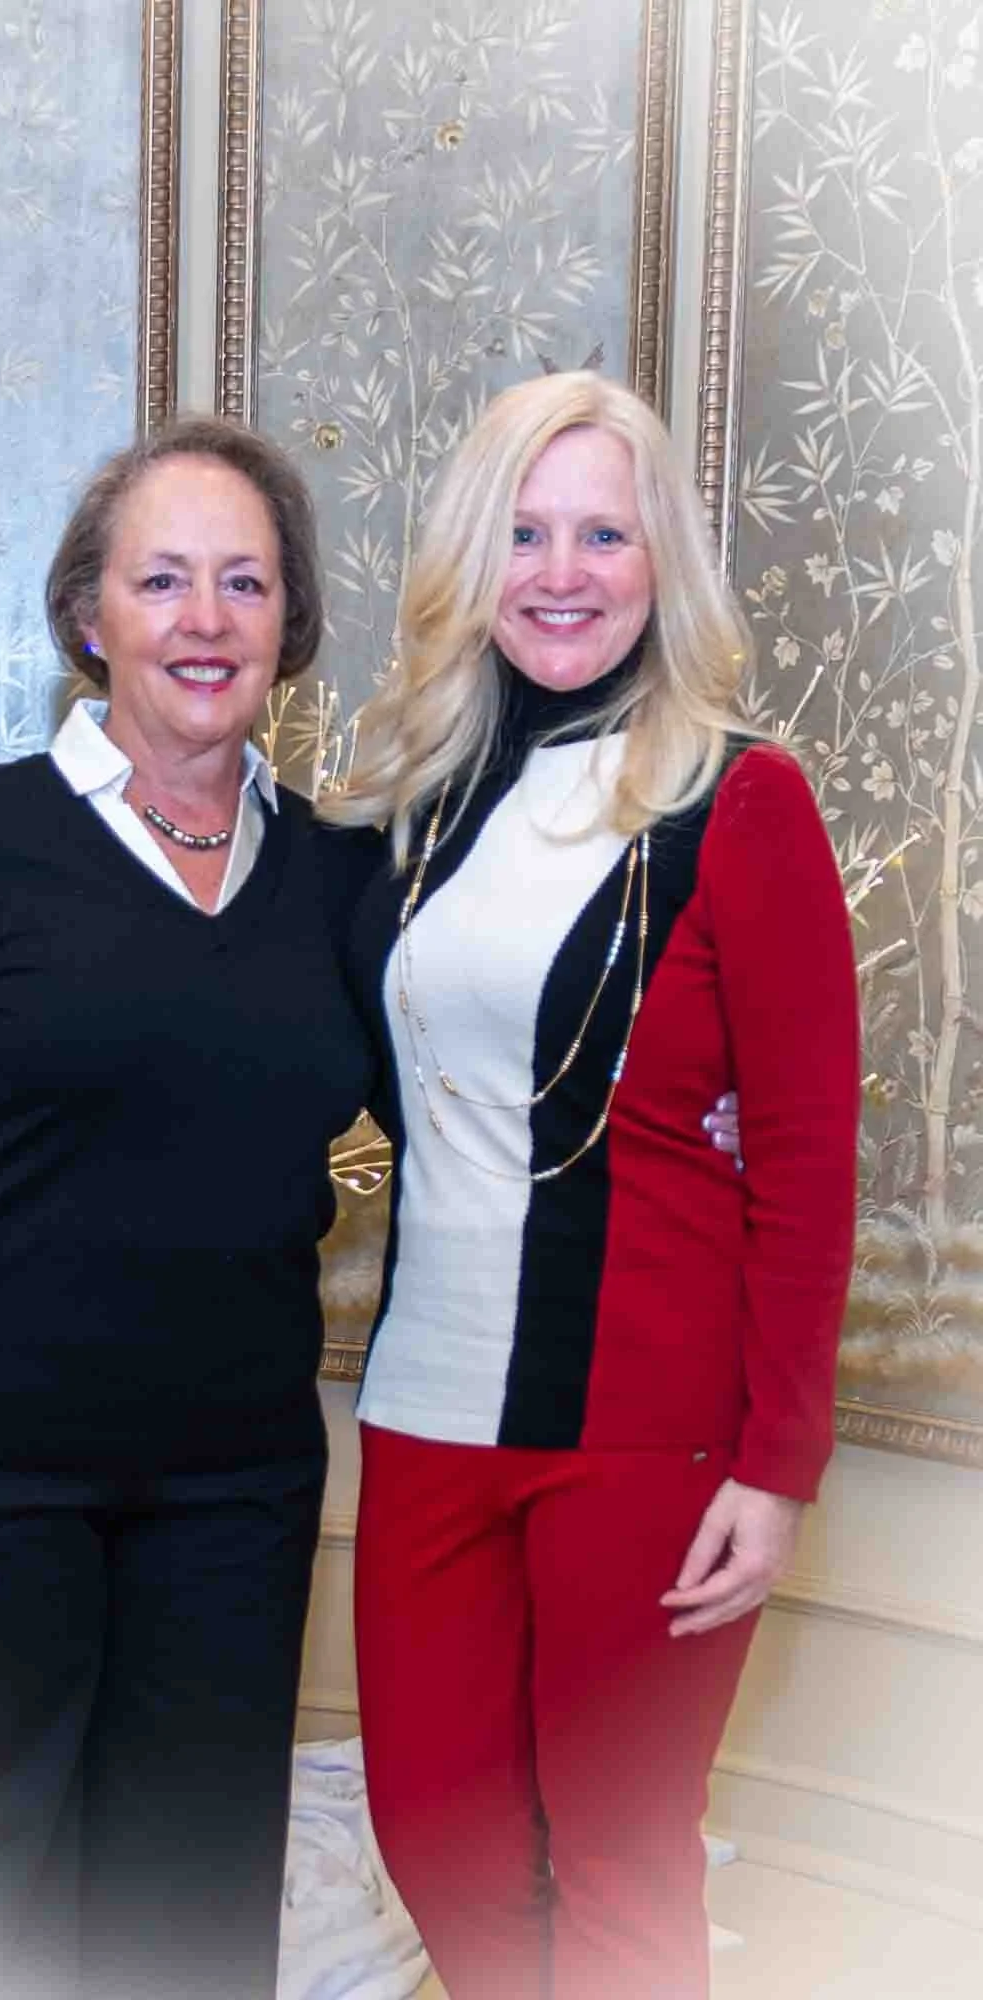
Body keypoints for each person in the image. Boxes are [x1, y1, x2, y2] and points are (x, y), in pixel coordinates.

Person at [0, 416, 379, 2000]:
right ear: (88, 617)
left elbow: (470, 1092)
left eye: (245, 583)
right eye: (164, 579)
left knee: (179, 1936)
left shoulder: (336, 879)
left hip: (232, 1504)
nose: (206, 620)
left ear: (290, 626)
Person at [327, 371, 859, 2000]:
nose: (562, 571)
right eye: (526, 533)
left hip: (648, 1425)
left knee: (619, 1857)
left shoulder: (737, 797)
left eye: (603, 534)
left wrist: (776, 1468)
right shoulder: (411, 814)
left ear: (660, 564)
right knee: (436, 1830)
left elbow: (810, 1153)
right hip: (426, 1414)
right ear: (473, 565)